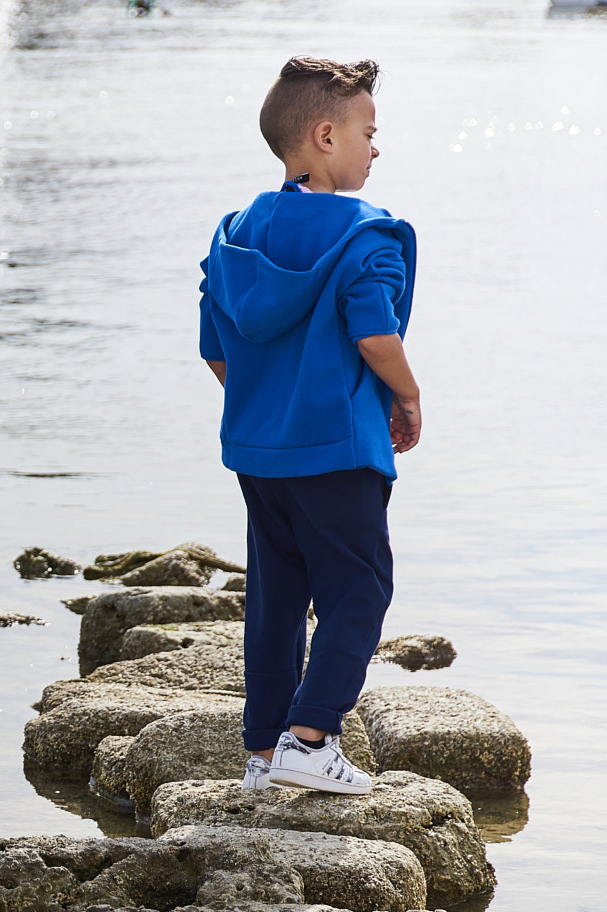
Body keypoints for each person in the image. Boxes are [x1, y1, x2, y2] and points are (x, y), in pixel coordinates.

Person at [199, 56, 420, 796]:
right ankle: (311, 733)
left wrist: (270, 404)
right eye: (367, 130)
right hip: (338, 453)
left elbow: (216, 349)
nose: (375, 147)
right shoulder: (367, 235)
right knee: (359, 590)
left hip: (260, 455)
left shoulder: (235, 234)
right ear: (326, 135)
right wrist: (410, 398)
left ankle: (263, 752)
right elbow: (374, 336)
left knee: (277, 597)